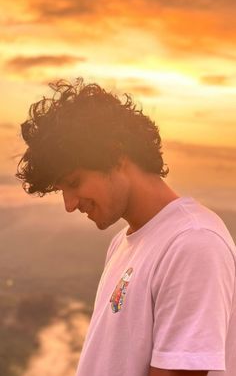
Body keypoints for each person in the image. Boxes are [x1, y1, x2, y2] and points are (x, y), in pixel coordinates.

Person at [16, 78, 236, 376]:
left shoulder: (193, 243)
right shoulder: (123, 243)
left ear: (116, 156)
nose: (69, 204)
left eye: (74, 182)